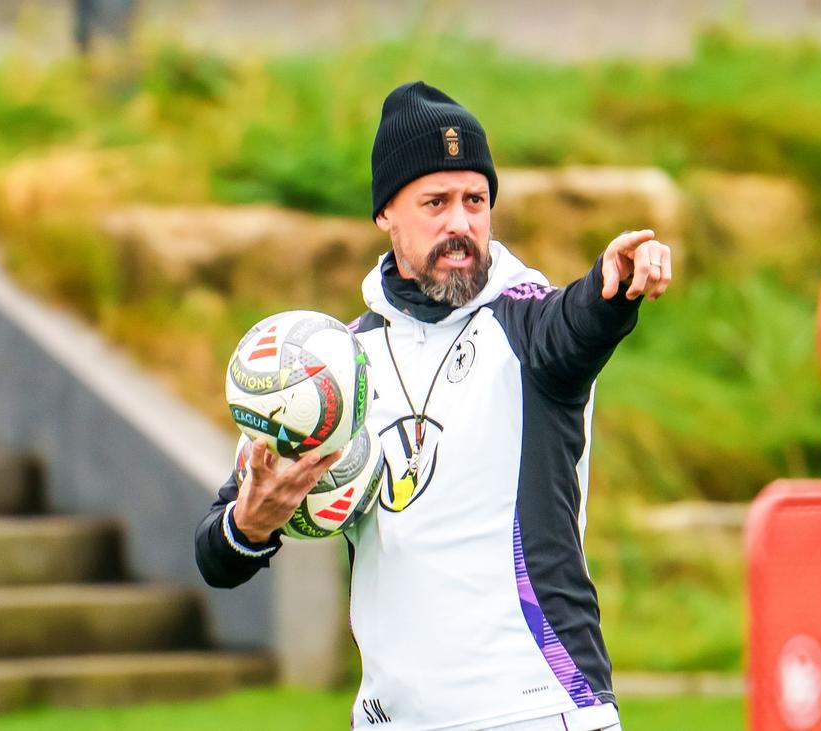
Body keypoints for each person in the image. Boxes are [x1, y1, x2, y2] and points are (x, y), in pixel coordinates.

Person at [195, 81, 672, 731]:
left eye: (475, 200)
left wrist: (614, 287)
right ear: (386, 213)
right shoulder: (337, 368)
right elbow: (215, 555)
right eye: (435, 202)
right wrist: (251, 525)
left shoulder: (528, 326)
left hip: (541, 709)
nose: (460, 224)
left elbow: (581, 320)